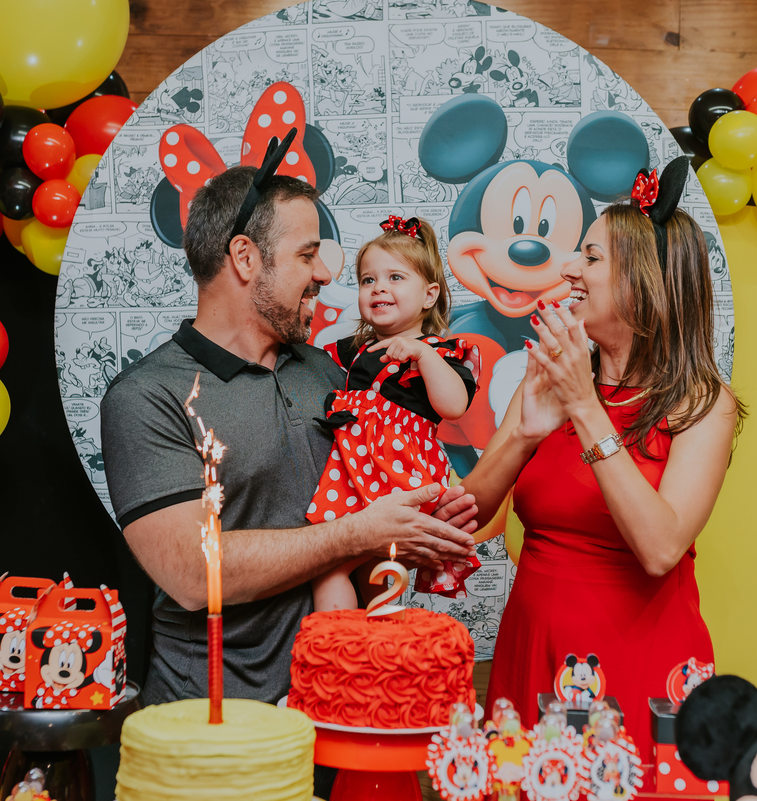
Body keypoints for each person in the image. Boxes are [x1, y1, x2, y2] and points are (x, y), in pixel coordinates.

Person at [99, 137, 479, 714]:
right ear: (247, 259)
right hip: (214, 723)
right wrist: (356, 534)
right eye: (308, 255)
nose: (328, 274)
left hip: (338, 703)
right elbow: (192, 574)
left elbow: (375, 515)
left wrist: (418, 527)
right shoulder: (149, 396)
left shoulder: (331, 373)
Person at [459, 157, 746, 758]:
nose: (568, 268)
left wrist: (585, 409)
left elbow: (660, 548)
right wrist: (524, 434)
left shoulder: (702, 403)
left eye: (591, 258)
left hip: (638, 663)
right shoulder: (548, 375)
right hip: (531, 650)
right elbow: (473, 514)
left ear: (646, 282)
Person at [307, 216, 482, 610]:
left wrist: (423, 354)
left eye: (395, 278)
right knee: (338, 563)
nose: (379, 287)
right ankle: (348, 648)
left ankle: (363, 646)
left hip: (397, 470)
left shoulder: (444, 352)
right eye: (368, 280)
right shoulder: (349, 351)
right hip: (351, 469)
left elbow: (453, 406)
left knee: (364, 562)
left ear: (429, 295)